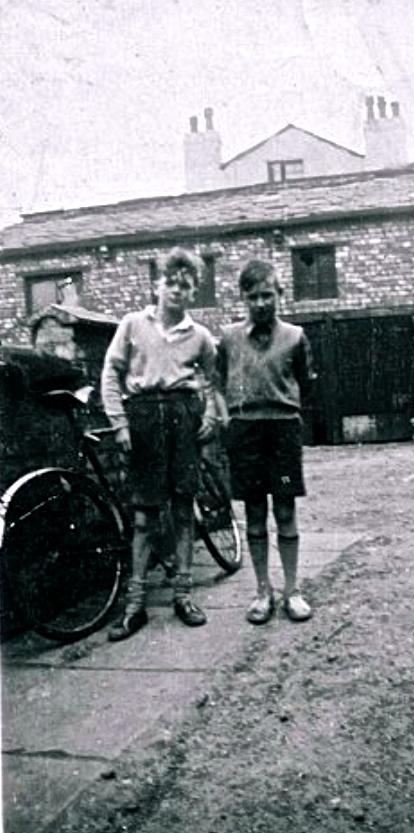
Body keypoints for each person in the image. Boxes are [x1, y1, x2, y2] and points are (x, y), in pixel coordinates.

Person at [101, 247, 217, 641]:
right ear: (157, 284)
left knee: (184, 510)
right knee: (143, 518)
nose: (177, 291)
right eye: (171, 283)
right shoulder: (133, 324)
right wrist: (120, 424)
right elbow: (110, 373)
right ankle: (136, 606)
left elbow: (213, 380)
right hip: (144, 419)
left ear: (193, 292)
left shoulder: (200, 336)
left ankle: (183, 595)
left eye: (186, 286)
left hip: (183, 419)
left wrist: (210, 417)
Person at [217, 259, 314, 624]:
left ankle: (291, 590)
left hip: (283, 432)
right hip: (246, 434)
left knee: (285, 510)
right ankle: (262, 591)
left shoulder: (295, 336)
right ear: (243, 297)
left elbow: (306, 384)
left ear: (280, 295)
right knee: (254, 512)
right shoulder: (227, 338)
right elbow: (218, 381)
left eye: (268, 295)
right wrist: (227, 418)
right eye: (254, 296)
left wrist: (288, 415)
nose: (261, 303)